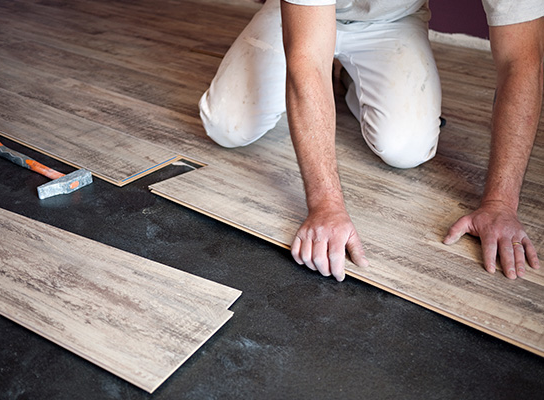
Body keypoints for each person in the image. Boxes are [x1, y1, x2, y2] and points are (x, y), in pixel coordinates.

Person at [199, 0, 543, 281]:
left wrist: (500, 203)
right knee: (227, 126)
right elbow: (307, 59)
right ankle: (334, 78)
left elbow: (522, 61)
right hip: (299, 16)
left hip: (392, 21)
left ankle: (350, 81)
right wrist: (326, 205)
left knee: (406, 148)